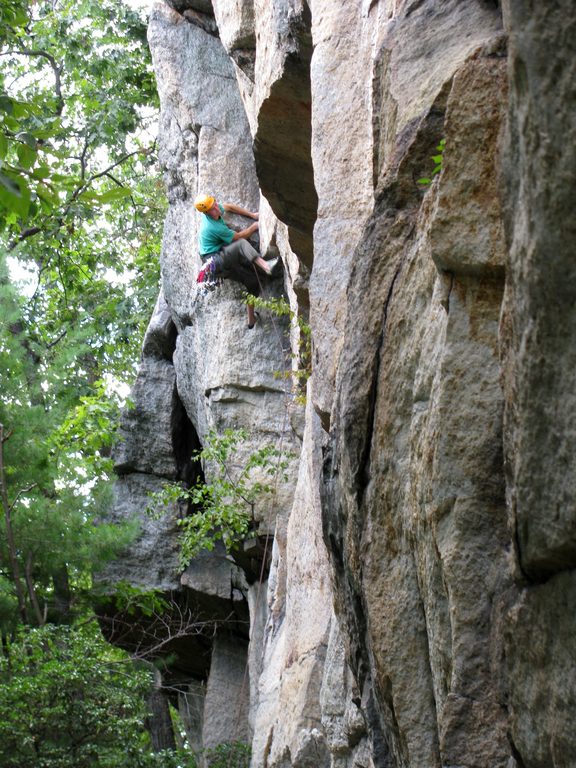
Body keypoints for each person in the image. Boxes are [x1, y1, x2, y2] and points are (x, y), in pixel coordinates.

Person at [194, 194, 279, 328]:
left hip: (220, 260)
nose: (216, 207)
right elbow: (238, 237)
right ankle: (266, 266)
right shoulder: (213, 227)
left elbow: (229, 207)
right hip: (214, 261)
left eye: (215, 203)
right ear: (206, 212)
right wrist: (254, 226)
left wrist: (252, 215)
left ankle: (251, 320)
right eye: (212, 208)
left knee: (253, 281)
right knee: (241, 244)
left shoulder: (215, 209)